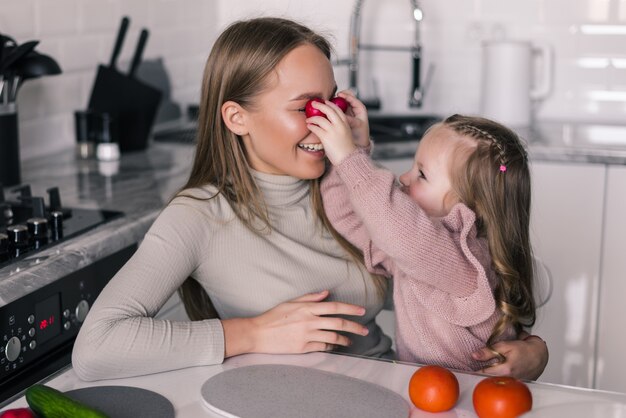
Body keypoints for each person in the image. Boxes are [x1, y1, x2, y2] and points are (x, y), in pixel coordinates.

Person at [72, 17, 548, 381]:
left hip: (396, 392)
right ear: (237, 117)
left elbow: (458, 277)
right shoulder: (198, 217)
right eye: (306, 108)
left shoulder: (355, 192)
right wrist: (254, 333)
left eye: (332, 102)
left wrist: (531, 350)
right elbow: (96, 347)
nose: (327, 123)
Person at [307, 95, 539, 371]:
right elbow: (347, 216)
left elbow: (399, 231)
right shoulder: (421, 250)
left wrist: (351, 159)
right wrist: (349, 155)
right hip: (427, 394)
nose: (404, 178)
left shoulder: (464, 258)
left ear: (470, 205)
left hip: (468, 398)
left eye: (422, 175)